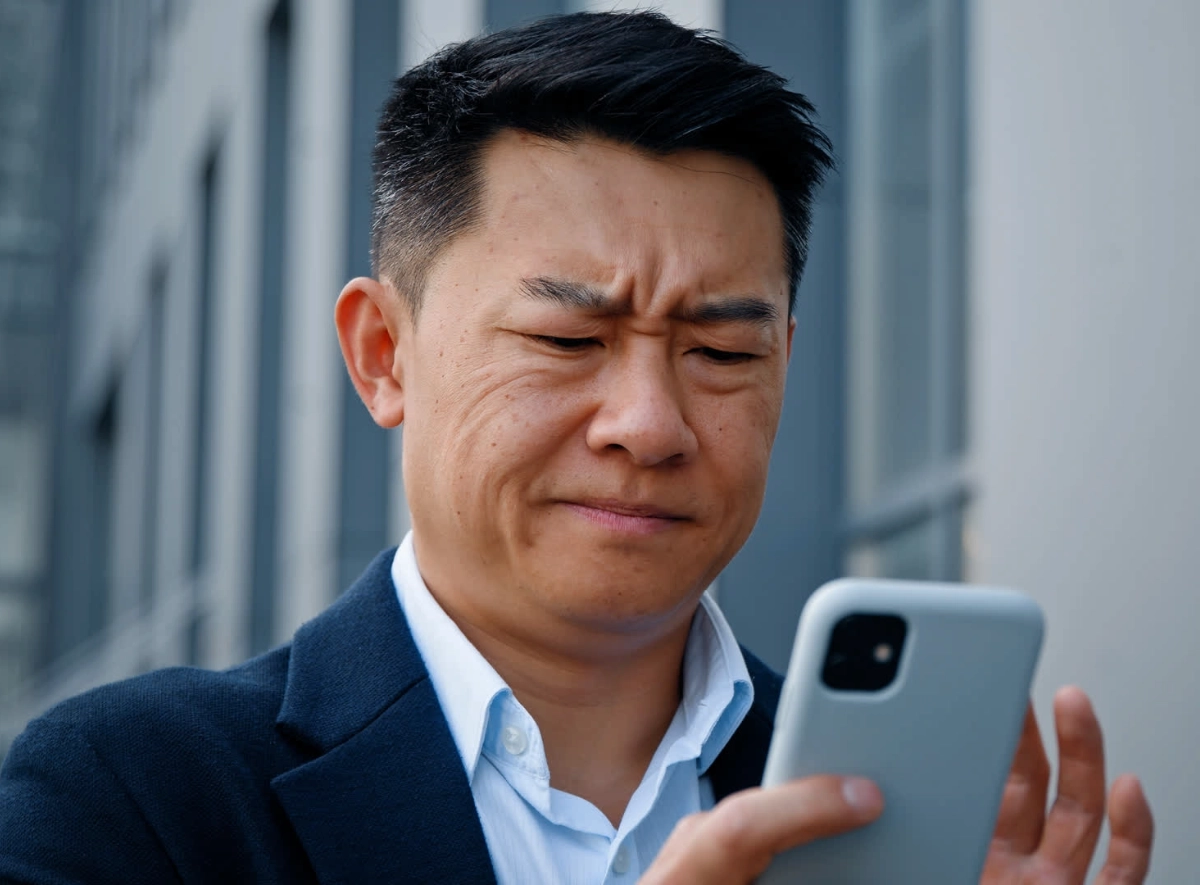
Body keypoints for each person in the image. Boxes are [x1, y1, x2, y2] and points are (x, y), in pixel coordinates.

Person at [0, 11, 1153, 885]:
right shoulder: (130, 799)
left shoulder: (889, 822)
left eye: (721, 354)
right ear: (382, 355)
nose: (648, 424)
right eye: (568, 337)